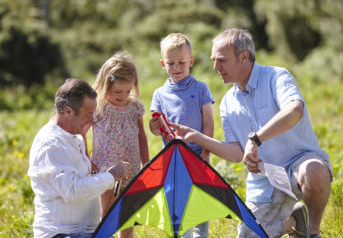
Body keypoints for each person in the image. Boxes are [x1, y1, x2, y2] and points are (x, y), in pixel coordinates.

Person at [171, 29, 333, 238]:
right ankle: (292, 221)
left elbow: (295, 110)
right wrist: (197, 137)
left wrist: (256, 139)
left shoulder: (277, 76)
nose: (215, 67)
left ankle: (312, 233)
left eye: (222, 60)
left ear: (244, 57)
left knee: (314, 171)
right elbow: (237, 153)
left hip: (299, 163)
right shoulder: (228, 102)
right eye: (214, 60)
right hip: (265, 181)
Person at [28, 78, 131, 238]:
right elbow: (73, 191)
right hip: (62, 233)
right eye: (89, 113)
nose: (93, 119)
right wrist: (110, 176)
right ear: (68, 112)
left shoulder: (74, 137)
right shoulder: (51, 145)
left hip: (86, 232)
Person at [149, 33, 215, 238]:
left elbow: (208, 122)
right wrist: (153, 126)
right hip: (173, 157)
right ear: (162, 64)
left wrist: (206, 151)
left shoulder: (200, 88)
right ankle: (183, 234)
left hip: (198, 155)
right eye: (171, 63)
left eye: (181, 63)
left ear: (191, 61)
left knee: (201, 198)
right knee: (177, 199)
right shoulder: (159, 94)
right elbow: (156, 128)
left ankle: (201, 234)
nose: (176, 68)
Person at [91, 51, 149, 238]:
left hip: (131, 170)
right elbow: (81, 135)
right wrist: (86, 159)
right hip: (107, 170)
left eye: (128, 91)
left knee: (128, 217)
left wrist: (146, 162)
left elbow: (141, 135)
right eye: (118, 91)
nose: (123, 96)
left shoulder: (134, 108)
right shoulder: (98, 108)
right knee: (107, 215)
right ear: (105, 83)